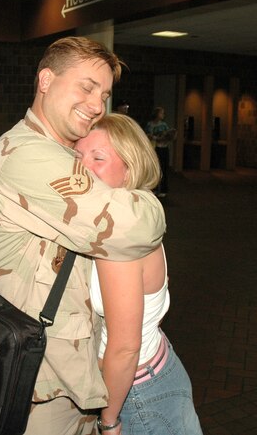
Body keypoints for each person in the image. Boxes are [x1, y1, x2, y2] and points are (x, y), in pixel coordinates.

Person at [0, 36, 166, 435]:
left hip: (66, 377)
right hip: (37, 388)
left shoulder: (63, 152)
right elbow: (130, 227)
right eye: (86, 87)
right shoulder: (28, 155)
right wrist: (146, 194)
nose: (98, 105)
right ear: (46, 80)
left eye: (105, 94)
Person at [75, 113, 202, 435]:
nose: (82, 166)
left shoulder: (121, 233)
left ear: (129, 169)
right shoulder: (124, 217)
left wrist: (109, 420)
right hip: (153, 371)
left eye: (98, 157)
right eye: (78, 155)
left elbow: (124, 347)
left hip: (139, 394)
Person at [145, 106, 176, 198]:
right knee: (154, 169)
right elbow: (147, 135)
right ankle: (153, 188)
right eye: (161, 113)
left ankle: (163, 189)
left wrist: (168, 136)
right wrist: (156, 137)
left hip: (164, 148)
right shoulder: (150, 124)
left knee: (164, 169)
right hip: (155, 148)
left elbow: (169, 135)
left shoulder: (164, 125)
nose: (163, 115)